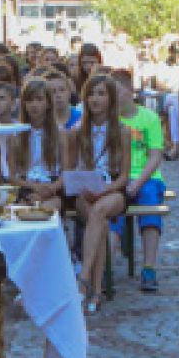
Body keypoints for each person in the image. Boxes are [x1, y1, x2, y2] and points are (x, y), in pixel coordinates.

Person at [68, 74, 131, 315]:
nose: (95, 99)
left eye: (101, 94)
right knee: (99, 220)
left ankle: (83, 279)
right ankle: (95, 290)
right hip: (85, 189)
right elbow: (72, 167)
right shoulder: (78, 130)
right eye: (91, 94)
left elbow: (124, 176)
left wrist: (104, 189)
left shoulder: (122, 131)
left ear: (111, 99)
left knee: (100, 210)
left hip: (111, 190)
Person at [113, 69, 166, 292]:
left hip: (147, 176)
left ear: (130, 91)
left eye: (118, 92)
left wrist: (138, 182)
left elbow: (155, 156)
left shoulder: (149, 118)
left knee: (150, 207)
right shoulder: (108, 120)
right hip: (118, 176)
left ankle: (149, 267)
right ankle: (105, 268)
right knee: (110, 211)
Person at [10, 76, 65, 212]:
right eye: (29, 100)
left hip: (52, 188)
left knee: (49, 208)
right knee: (23, 209)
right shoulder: (16, 134)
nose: (34, 105)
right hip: (26, 186)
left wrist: (49, 189)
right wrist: (34, 187)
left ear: (48, 103)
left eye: (39, 99)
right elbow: (11, 176)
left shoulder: (61, 133)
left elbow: (67, 172)